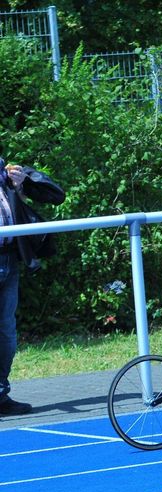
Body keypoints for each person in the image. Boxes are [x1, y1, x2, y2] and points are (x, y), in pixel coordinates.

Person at [0, 158, 65, 417]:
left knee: (6, 334)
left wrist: (23, 181)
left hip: (8, 260)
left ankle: (0, 394)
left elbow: (56, 195)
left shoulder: (6, 173)